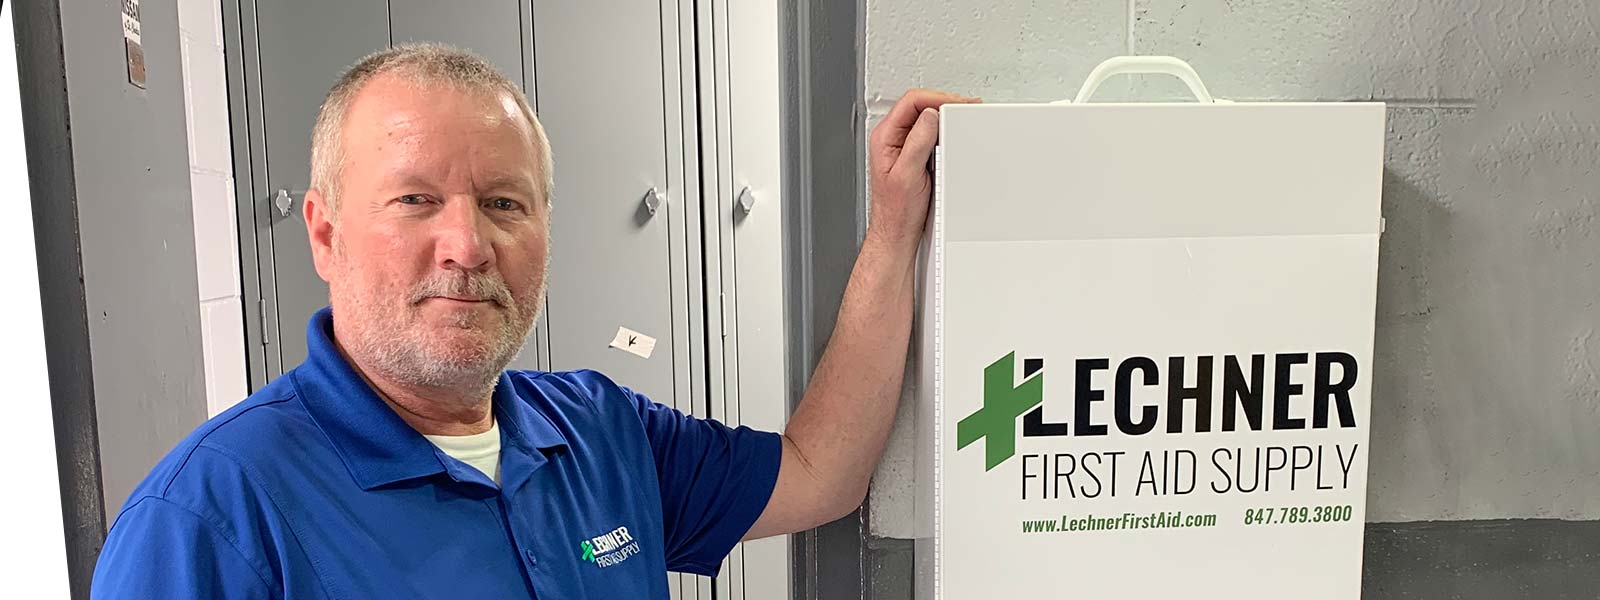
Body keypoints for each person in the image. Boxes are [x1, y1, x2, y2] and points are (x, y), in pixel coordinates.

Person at [90, 42, 976, 598]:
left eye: (505, 203)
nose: (467, 245)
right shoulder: (210, 519)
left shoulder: (596, 432)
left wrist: (897, 225)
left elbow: (819, 475)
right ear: (324, 233)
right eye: (414, 199)